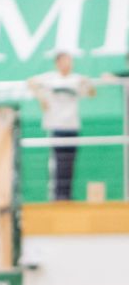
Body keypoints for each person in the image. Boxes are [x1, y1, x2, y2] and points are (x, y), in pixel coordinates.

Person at [28, 51, 96, 200]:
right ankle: (57, 196)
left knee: (70, 162)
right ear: (57, 63)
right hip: (56, 126)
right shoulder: (50, 78)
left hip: (72, 126)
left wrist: (88, 83)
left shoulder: (76, 79)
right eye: (65, 61)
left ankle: (67, 195)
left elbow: (91, 93)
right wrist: (41, 99)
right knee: (58, 162)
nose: (68, 64)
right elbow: (31, 82)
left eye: (70, 61)